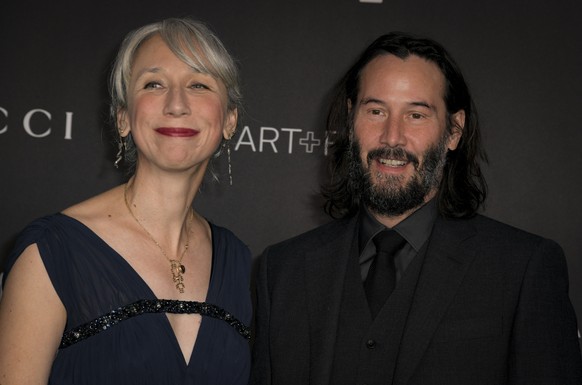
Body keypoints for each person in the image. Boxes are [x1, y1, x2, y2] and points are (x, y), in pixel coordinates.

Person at [250, 32, 582, 384]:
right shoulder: (282, 270)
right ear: (351, 121)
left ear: (454, 131)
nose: (392, 137)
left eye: (416, 115)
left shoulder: (523, 269)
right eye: (376, 111)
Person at [0, 18, 252, 384]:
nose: (177, 104)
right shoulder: (53, 252)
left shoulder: (237, 259)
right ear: (123, 118)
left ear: (229, 120)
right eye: (154, 84)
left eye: (199, 84)